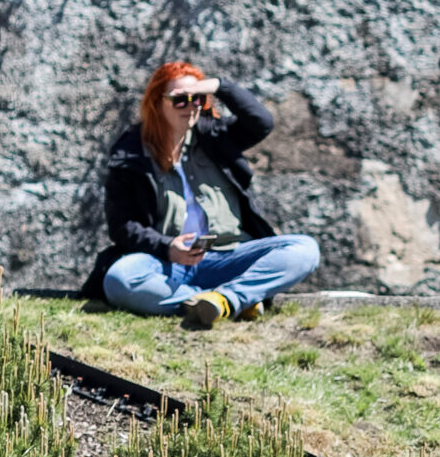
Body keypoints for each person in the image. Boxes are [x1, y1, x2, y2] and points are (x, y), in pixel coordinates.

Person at [87, 63, 320, 329]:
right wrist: (167, 247)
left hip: (230, 255)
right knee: (119, 280)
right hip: (166, 263)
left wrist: (220, 86)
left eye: (197, 98)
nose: (191, 106)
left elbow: (261, 122)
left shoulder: (216, 137)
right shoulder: (131, 154)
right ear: (157, 103)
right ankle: (226, 300)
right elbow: (122, 226)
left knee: (305, 249)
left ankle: (225, 299)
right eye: (180, 99)